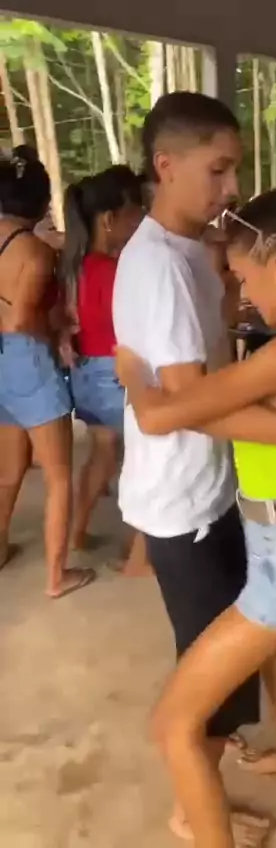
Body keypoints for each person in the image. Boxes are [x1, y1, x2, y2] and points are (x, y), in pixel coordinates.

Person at [113, 93, 276, 847]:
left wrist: (132, 378)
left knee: (179, 722)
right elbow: (207, 400)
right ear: (166, 165)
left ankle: (198, 811)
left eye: (247, 280)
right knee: (253, 648)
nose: (241, 295)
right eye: (218, 169)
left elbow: (173, 412)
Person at [0, 149, 94, 597]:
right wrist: (57, 329)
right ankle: (57, 577)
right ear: (41, 203)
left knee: (8, 470)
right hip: (28, 363)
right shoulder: (35, 253)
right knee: (58, 476)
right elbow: (21, 321)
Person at [62, 166, 143, 552]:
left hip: (86, 373)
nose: (139, 222)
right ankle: (140, 548)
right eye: (134, 214)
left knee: (102, 456)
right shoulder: (114, 270)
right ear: (109, 220)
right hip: (112, 372)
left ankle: (76, 532)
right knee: (144, 458)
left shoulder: (74, 265)